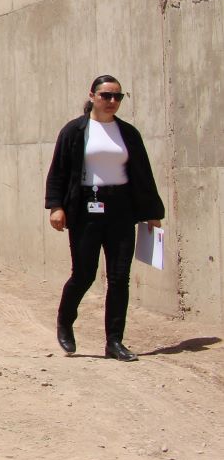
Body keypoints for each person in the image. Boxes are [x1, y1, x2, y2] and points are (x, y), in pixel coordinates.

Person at [44, 75, 164, 362]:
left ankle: (114, 342)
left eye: (117, 96)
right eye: (106, 95)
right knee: (83, 274)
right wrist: (55, 206)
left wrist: (152, 213)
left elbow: (143, 174)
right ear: (92, 96)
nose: (112, 101)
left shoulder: (128, 133)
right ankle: (65, 321)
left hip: (121, 209)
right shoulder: (75, 131)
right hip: (86, 208)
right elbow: (59, 170)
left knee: (120, 278)